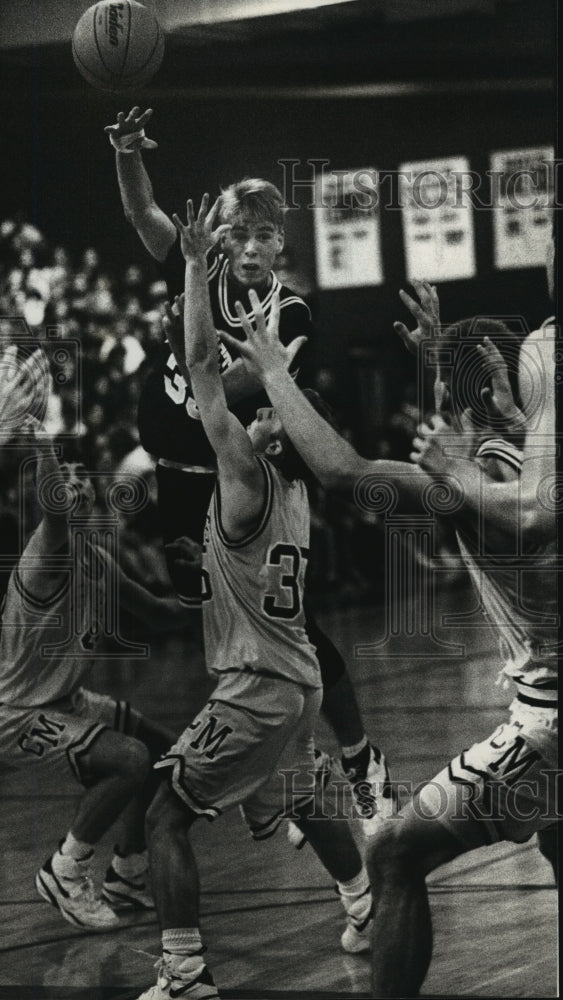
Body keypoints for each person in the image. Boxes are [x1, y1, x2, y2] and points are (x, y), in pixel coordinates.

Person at [220, 264, 558, 998]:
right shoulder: (533, 452)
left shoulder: (486, 473)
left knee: (397, 854)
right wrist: (449, 358)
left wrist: (275, 373)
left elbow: (342, 471)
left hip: (549, 728)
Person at [104, 106, 393, 832]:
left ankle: (358, 758)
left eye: (267, 234)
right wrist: (128, 152)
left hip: (230, 472)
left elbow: (249, 385)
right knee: (221, 633)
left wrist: (207, 377)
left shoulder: (287, 307)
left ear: (280, 244)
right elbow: (141, 210)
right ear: (223, 235)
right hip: (171, 474)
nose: (253, 245)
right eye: (241, 231)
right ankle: (283, 770)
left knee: (287, 625)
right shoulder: (195, 259)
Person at [135, 196, 374, 1000]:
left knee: (163, 815)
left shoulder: (239, 476)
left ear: (263, 431)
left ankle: (184, 973)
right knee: (303, 798)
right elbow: (241, 395)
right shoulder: (298, 493)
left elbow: (205, 375)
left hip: (256, 689)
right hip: (298, 682)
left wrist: (195, 284)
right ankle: (364, 902)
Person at [0, 417, 193, 931]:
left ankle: (127, 874)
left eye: (82, 471)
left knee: (163, 756)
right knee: (128, 760)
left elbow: (157, 611)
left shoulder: (98, 558)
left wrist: (222, 588)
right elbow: (54, 506)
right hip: (16, 710)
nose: (77, 479)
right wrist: (42, 441)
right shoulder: (48, 550)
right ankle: (66, 868)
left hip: (62, 699)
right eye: (67, 474)